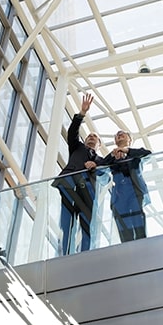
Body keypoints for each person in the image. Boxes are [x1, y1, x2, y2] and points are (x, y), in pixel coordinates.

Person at [52, 93, 104, 255]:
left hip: (88, 193)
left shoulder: (102, 160)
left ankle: (85, 255)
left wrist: (95, 164)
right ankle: (63, 254)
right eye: (89, 136)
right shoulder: (77, 147)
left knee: (86, 225)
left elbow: (109, 167)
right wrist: (82, 113)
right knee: (66, 223)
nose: (91, 138)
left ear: (99, 145)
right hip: (70, 184)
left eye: (94, 137)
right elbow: (73, 131)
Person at [102, 130, 152, 242]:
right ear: (115, 141)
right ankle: (127, 246)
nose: (119, 134)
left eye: (123, 134)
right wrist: (112, 155)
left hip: (135, 190)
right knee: (122, 223)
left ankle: (143, 243)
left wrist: (126, 150)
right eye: (117, 135)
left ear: (129, 140)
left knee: (137, 217)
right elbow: (100, 167)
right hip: (119, 193)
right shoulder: (111, 157)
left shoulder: (135, 153)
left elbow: (148, 153)